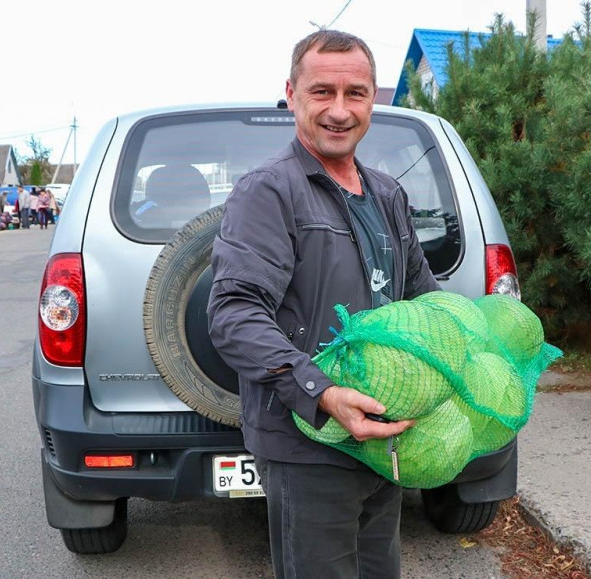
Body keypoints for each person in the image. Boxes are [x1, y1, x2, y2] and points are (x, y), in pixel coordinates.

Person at [207, 30, 439, 578]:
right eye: (321, 92)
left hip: (382, 436)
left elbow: (423, 298)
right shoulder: (269, 192)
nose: (339, 110)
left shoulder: (387, 194)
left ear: (373, 99)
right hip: (308, 439)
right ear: (292, 94)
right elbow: (234, 312)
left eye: (355, 93)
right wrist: (324, 392)